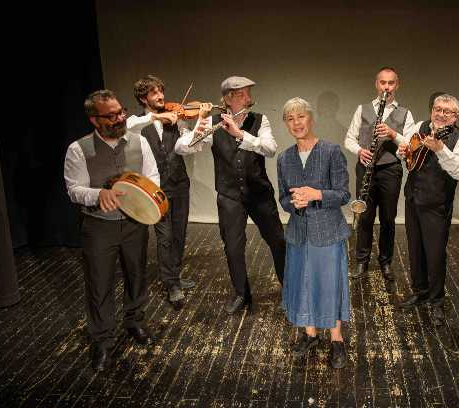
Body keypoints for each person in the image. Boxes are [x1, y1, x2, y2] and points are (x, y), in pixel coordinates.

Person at [64, 90, 160, 371]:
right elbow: (74, 188)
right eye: (112, 115)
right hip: (99, 227)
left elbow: (152, 175)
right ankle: (103, 340)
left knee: (136, 274)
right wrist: (97, 195)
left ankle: (135, 321)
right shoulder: (78, 149)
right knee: (100, 283)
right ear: (95, 120)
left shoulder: (139, 142)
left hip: (134, 223)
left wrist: (148, 194)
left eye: (121, 111)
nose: (120, 118)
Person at [175, 76, 286, 314]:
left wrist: (240, 134)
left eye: (248, 93)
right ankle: (241, 293)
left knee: (278, 241)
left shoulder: (260, 119)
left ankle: (289, 288)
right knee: (233, 248)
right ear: (228, 98)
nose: (248, 97)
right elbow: (183, 148)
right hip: (229, 196)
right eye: (242, 94)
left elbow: (270, 149)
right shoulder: (213, 122)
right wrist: (200, 124)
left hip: (259, 194)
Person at [277, 97, 351, 368]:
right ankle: (310, 335)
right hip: (298, 232)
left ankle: (336, 340)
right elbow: (283, 198)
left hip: (327, 231)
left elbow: (344, 194)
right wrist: (293, 203)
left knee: (329, 286)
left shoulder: (331, 151)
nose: (296, 123)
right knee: (303, 283)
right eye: (290, 119)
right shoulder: (285, 158)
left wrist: (316, 194)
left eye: (301, 117)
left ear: (311, 119)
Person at [397, 94, 459, 326]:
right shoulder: (419, 127)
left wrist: (441, 149)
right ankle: (420, 291)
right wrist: (403, 152)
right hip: (413, 198)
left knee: (435, 254)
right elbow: (409, 156)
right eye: (437, 109)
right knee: (415, 248)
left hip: (437, 204)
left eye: (447, 111)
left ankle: (437, 301)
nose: (440, 114)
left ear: (455, 116)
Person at [126, 75, 195, 310]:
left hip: (180, 183)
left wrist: (199, 128)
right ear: (144, 97)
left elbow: (186, 146)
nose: (161, 96)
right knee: (164, 237)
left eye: (161, 91)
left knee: (179, 233)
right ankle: (171, 284)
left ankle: (174, 275)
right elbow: (128, 126)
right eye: (155, 93)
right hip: (156, 189)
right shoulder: (138, 123)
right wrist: (156, 116)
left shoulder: (175, 120)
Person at [344, 66, 415, 281]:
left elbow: (411, 144)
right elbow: (349, 139)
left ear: (397, 85)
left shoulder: (405, 112)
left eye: (391, 83)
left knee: (388, 218)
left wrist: (393, 134)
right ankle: (362, 261)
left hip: (390, 170)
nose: (387, 87)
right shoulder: (362, 109)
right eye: (383, 83)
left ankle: (385, 262)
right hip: (365, 166)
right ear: (377, 84)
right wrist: (359, 151)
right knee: (363, 216)